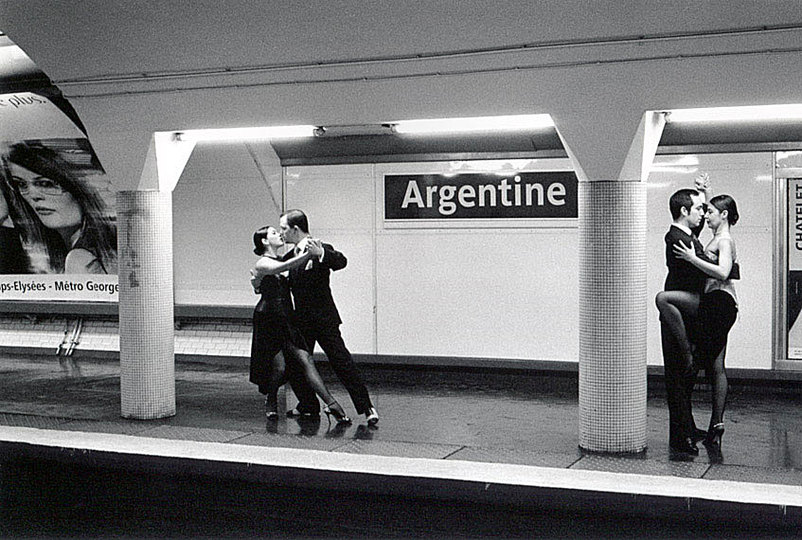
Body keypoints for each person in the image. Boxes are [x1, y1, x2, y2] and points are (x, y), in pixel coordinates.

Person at [279, 209, 379, 425]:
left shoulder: (321, 248)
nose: (282, 234)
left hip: (325, 320)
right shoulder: (289, 258)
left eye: (284, 229)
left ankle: (367, 407)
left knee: (342, 361)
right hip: (302, 322)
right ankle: (308, 405)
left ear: (295, 229)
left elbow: (341, 261)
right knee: (296, 365)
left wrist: (321, 254)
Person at [249, 225, 350, 424]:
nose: (279, 234)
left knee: (305, 359)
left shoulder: (282, 258)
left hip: (287, 317)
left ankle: (332, 404)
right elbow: (283, 269)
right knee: (279, 368)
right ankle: (270, 400)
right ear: (264, 241)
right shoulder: (262, 263)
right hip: (268, 318)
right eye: (274, 233)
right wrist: (309, 254)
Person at [670, 194, 740, 453]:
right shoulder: (720, 236)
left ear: (723, 215)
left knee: (697, 363)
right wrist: (707, 192)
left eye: (709, 211)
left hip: (719, 304)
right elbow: (714, 211)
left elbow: (722, 272)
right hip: (722, 304)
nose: (705, 214)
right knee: (717, 366)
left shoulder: (724, 240)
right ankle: (716, 426)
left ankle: (689, 427)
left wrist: (692, 259)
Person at [0, 141, 117, 274]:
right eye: (21, 184)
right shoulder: (103, 249)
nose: (33, 195)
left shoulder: (79, 260)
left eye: (46, 183)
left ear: (77, 186)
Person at [655, 184, 710, 455]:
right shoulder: (676, 237)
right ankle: (679, 437)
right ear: (684, 210)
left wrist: (705, 194)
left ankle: (687, 426)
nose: (703, 213)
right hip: (677, 314)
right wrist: (728, 266)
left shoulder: (686, 234)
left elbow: (697, 238)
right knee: (677, 378)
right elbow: (700, 262)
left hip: (684, 313)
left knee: (685, 377)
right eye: (699, 208)